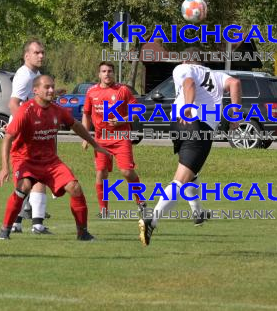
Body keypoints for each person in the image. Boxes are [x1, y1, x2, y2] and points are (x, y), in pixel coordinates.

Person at [139, 50, 242, 246]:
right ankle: (152, 220)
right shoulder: (216, 75)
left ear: (186, 59)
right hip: (198, 126)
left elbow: (188, 83)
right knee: (180, 180)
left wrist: (186, 105)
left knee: (190, 173)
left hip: (177, 124)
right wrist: (234, 114)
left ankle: (198, 212)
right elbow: (232, 83)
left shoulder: (182, 67)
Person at [0, 75, 110, 241]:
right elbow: (7, 138)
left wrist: (94, 144)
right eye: (47, 87)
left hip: (50, 161)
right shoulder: (26, 111)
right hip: (25, 160)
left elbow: (76, 126)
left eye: (52, 87)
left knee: (75, 188)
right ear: (35, 91)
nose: (51, 90)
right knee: (24, 187)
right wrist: (5, 167)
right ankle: (5, 229)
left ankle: (83, 233)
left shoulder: (57, 110)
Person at [82, 62, 146, 217]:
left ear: (114, 73)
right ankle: (104, 210)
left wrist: (123, 120)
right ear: (99, 74)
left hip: (120, 137)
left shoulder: (122, 90)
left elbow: (137, 109)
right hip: (100, 139)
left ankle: (141, 202)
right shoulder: (91, 92)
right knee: (101, 172)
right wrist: (85, 136)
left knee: (126, 171)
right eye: (103, 71)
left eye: (109, 71)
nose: (107, 74)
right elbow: (86, 114)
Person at [8, 38, 50, 235]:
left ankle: (17, 222)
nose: (41, 55)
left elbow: (33, 102)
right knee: (39, 173)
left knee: (28, 177)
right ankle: (37, 224)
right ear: (27, 56)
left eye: (42, 52)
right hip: (23, 134)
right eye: (36, 52)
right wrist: (27, 128)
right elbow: (14, 104)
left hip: (27, 133)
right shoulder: (24, 75)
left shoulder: (36, 74)